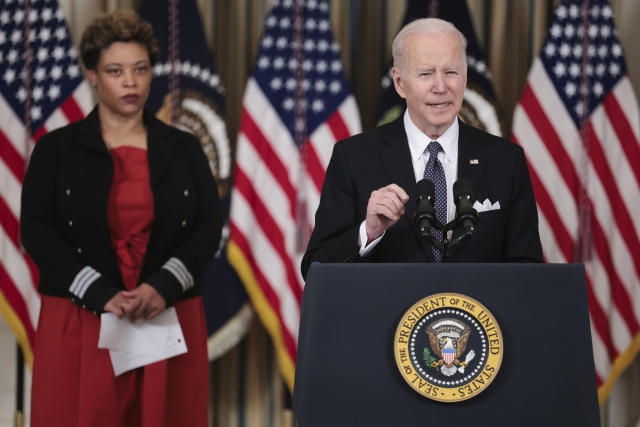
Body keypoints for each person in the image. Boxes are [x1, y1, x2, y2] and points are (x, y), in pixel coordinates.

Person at [20, 10, 222, 427]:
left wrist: (163, 285)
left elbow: (207, 227)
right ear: (93, 74)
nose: (130, 82)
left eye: (140, 69)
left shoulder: (184, 148)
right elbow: (36, 230)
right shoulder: (56, 149)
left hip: (165, 310)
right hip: (80, 314)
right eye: (115, 71)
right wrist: (98, 292)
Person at [301, 18, 543, 279]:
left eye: (451, 72)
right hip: (389, 319)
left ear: (464, 76)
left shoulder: (507, 160)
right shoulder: (354, 157)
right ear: (400, 82)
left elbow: (527, 271)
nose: (441, 87)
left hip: (478, 319)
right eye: (426, 73)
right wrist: (368, 233)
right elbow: (316, 269)